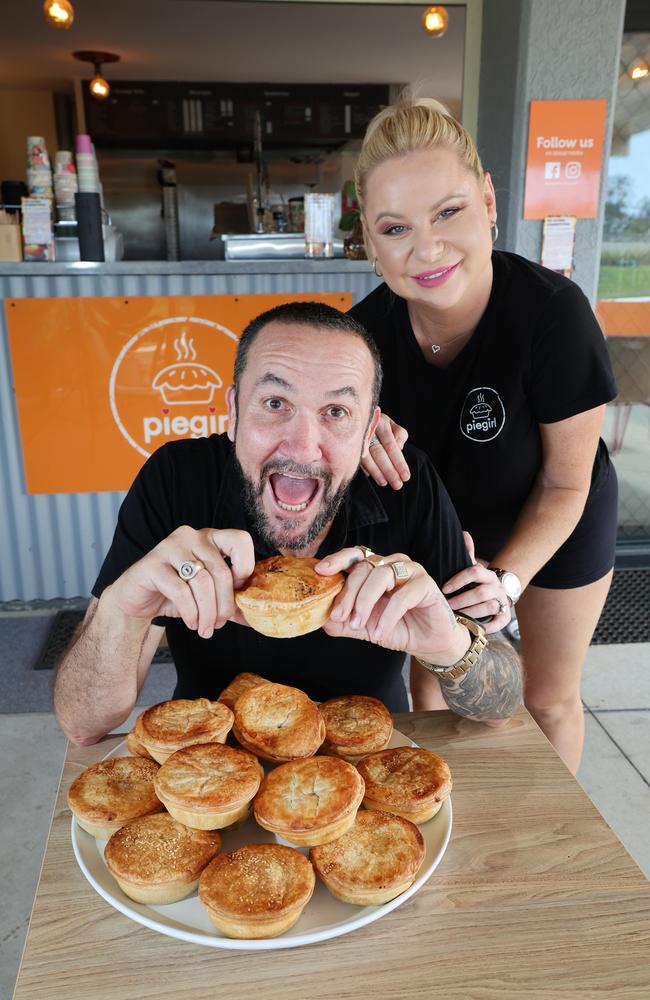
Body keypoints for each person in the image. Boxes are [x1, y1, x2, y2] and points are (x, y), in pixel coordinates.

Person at [53, 302, 520, 746]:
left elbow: (500, 706)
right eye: (275, 402)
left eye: (336, 412)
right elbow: (83, 725)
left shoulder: (407, 486)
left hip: (370, 757)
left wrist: (452, 647)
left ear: (369, 431)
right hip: (211, 763)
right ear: (233, 412)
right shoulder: (177, 479)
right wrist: (122, 610)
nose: (301, 447)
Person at [349, 96, 618, 774]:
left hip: (553, 509)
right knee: (434, 689)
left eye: (449, 212)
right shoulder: (360, 341)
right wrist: (350, 434)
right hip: (438, 526)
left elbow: (566, 482)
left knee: (546, 695)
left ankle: (548, 841)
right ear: (369, 236)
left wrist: (508, 578)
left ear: (489, 199)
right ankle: (449, 824)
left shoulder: (553, 317)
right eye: (396, 227)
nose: (427, 248)